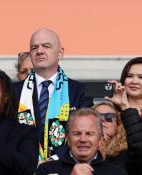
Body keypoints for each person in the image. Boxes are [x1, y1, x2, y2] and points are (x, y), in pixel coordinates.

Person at [14, 28, 93, 160]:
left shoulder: (79, 91)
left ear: (60, 53)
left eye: (46, 46)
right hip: (21, 170)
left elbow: (83, 134)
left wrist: (53, 161)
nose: (39, 51)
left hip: (66, 169)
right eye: (34, 48)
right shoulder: (13, 91)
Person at [93, 100, 142, 175]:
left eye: (109, 117)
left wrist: (125, 107)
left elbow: (138, 145)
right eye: (96, 117)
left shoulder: (126, 152)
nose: (102, 120)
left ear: (117, 124)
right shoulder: (81, 149)